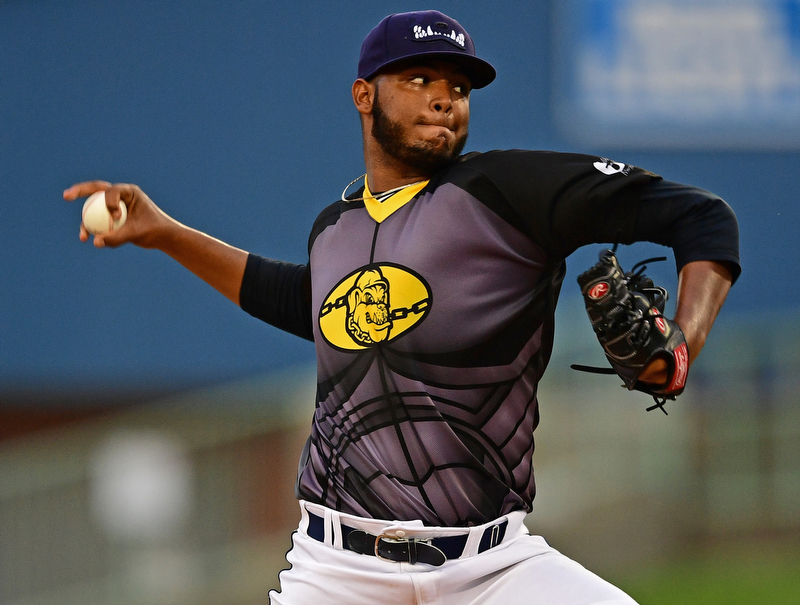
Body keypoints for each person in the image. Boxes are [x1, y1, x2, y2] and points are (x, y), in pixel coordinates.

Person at [64, 10, 740, 605]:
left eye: (458, 87)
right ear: (364, 94)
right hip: (337, 568)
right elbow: (312, 306)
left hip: (494, 568)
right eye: (420, 79)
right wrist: (165, 232)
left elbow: (702, 217)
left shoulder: (508, 191)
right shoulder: (336, 226)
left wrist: (684, 340)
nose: (445, 99)